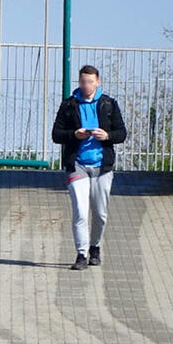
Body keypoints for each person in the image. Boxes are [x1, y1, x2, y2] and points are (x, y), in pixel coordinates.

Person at [51, 64, 127, 270]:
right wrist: (74, 134)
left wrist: (107, 136)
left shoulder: (108, 104)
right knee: (80, 212)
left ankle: (95, 246)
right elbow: (56, 134)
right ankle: (81, 254)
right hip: (78, 165)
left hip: (102, 166)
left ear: (98, 82)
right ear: (79, 82)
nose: (86, 86)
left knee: (100, 213)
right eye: (83, 82)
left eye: (90, 82)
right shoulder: (69, 105)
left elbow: (122, 133)